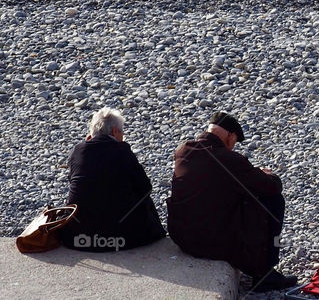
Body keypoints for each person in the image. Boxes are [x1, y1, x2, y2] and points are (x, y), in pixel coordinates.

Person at [167, 111, 297, 292]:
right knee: (274, 201)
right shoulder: (229, 159)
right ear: (230, 135)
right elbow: (271, 186)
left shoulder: (183, 151)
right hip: (210, 243)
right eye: (235, 141)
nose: (233, 146)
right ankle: (264, 274)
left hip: (182, 237)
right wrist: (267, 174)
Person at [60, 107, 165, 252]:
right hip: (120, 238)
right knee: (145, 200)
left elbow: (73, 181)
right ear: (115, 131)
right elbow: (145, 188)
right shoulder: (122, 151)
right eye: (122, 132)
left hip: (78, 236)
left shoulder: (78, 150)